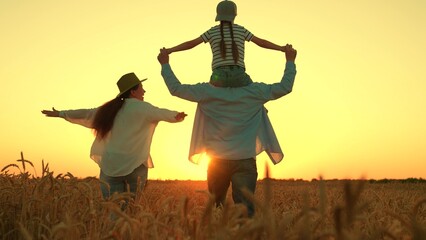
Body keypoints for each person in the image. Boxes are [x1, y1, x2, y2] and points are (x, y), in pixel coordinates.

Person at [157, 45, 297, 217]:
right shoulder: (255, 91)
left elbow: (176, 89)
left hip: (216, 161)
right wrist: (290, 61)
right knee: (245, 212)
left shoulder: (206, 91)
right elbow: (285, 87)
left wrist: (165, 64)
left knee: (215, 211)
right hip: (245, 159)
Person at [42, 72, 187, 200]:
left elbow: (86, 113)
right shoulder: (143, 108)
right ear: (133, 91)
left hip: (110, 166)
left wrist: (61, 114)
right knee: (131, 212)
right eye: (141, 87)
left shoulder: (110, 110)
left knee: (114, 212)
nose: (144, 91)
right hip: (135, 165)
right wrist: (176, 116)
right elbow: (160, 112)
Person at [161, 0, 286, 88]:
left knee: (209, 98)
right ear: (235, 15)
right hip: (239, 75)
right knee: (253, 93)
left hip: (218, 76)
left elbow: (191, 44)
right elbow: (262, 43)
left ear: (218, 15)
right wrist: (281, 48)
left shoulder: (211, 31)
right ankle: (261, 108)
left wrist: (171, 50)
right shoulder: (241, 30)